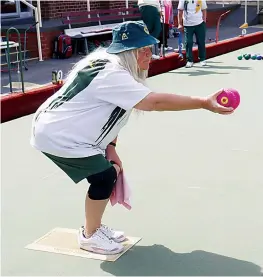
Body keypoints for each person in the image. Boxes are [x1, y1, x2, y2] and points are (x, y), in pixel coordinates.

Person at [30, 20, 233, 256]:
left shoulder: (110, 64)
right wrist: (203, 103)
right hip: (58, 135)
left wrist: (111, 147)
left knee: (109, 170)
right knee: (104, 177)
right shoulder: (111, 73)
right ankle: (89, 234)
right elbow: (153, 102)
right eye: (143, 51)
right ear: (127, 53)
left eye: (150, 48)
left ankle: (93, 226)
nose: (150, 55)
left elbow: (115, 112)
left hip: (66, 130)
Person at [177, 0, 207, 68]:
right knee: (188, 42)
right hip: (188, 25)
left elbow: (204, 9)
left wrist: (204, 21)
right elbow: (180, 11)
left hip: (199, 24)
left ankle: (202, 59)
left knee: (201, 42)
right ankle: (189, 60)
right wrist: (179, 24)